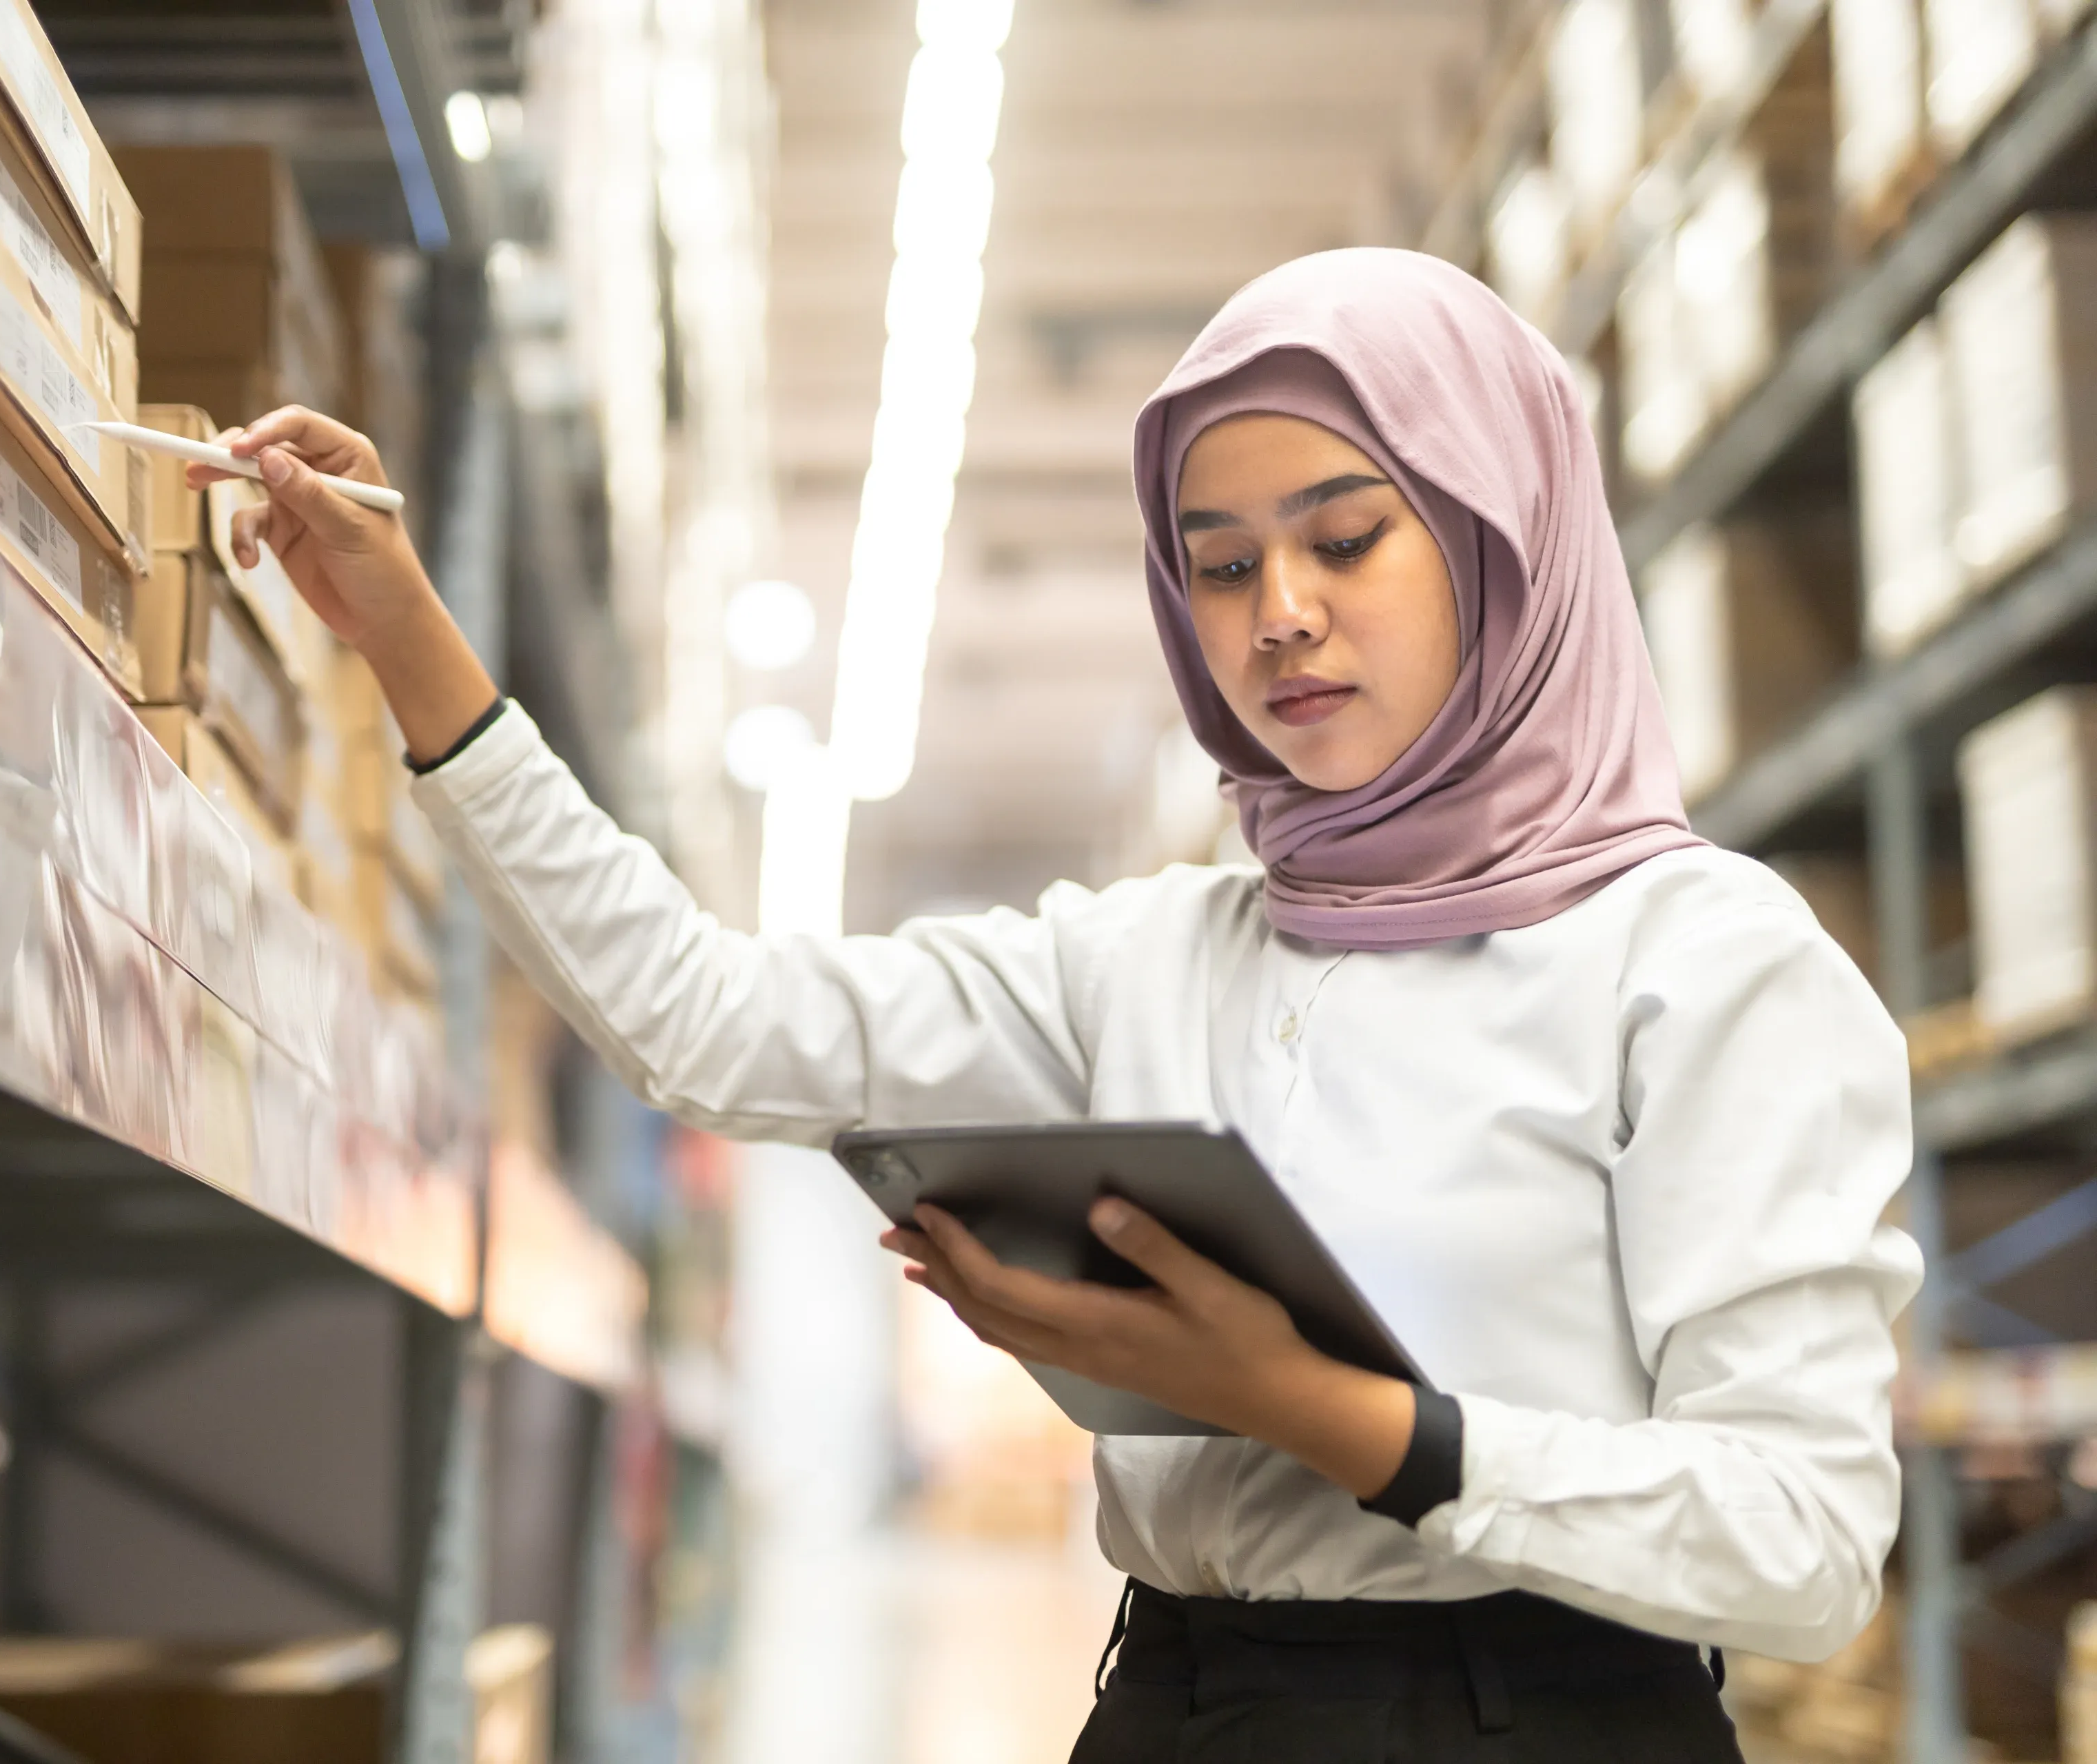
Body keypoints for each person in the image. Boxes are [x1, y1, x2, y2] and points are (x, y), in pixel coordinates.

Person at [192, 247, 1919, 1762]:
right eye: (1220, 565)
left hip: (1527, 1721)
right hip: (1175, 1696)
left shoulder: (1703, 959)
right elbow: (698, 1016)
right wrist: (406, 636)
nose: (1281, 617)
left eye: (1345, 537)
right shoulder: (1155, 954)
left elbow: (1805, 1536)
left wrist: (1330, 1411)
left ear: (1500, 534)